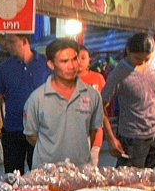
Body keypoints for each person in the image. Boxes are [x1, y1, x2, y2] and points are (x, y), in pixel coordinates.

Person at [23, 39, 103, 169]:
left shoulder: (93, 95)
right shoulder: (37, 99)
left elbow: (93, 131)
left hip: (80, 170)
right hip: (45, 173)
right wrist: (53, 151)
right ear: (50, 64)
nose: (71, 66)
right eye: (64, 61)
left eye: (74, 59)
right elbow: (31, 136)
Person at [101, 32, 155, 168]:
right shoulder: (118, 74)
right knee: (130, 183)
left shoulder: (154, 56)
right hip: (132, 139)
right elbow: (100, 106)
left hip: (154, 133)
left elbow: (153, 82)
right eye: (137, 58)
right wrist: (111, 138)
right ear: (128, 51)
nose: (142, 62)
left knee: (153, 180)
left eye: (146, 59)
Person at [0, 33, 51, 174]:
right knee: (12, 177)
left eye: (12, 42)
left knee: (39, 176)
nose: (8, 46)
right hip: (13, 130)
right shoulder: (4, 68)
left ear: (24, 41)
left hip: (40, 130)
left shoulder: (45, 65)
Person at [77, 48, 106, 166]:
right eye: (76, 58)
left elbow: (104, 105)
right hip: (74, 136)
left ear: (89, 60)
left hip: (95, 134)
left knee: (91, 171)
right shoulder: (67, 80)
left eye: (83, 58)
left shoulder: (98, 78)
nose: (80, 61)